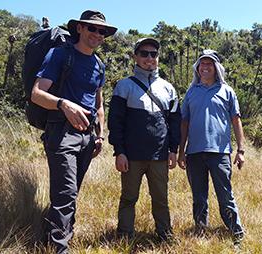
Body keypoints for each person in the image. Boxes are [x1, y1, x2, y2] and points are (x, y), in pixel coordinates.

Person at [31, 10, 117, 253]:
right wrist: (63, 104)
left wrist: (100, 134)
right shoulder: (60, 55)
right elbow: (37, 93)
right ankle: (60, 248)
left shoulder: (99, 64)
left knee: (69, 193)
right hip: (61, 132)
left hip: (87, 136)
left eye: (102, 31)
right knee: (66, 193)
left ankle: (49, 239)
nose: (97, 34)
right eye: (92, 28)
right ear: (79, 28)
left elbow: (99, 103)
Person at [108, 38, 181, 241]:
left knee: (161, 199)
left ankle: (165, 235)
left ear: (158, 58)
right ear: (135, 57)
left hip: (160, 155)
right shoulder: (124, 86)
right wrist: (119, 151)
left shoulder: (168, 88)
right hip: (131, 156)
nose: (149, 58)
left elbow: (175, 122)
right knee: (129, 198)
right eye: (144, 53)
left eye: (153, 54)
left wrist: (173, 150)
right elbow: (116, 122)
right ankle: (124, 236)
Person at [177, 49, 245, 244]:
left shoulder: (227, 91)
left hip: (220, 153)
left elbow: (236, 121)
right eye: (202, 64)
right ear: (197, 68)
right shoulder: (191, 92)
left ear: (216, 68)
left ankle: (236, 233)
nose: (205, 67)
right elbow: (184, 124)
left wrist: (240, 150)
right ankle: (201, 230)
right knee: (199, 197)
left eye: (210, 64)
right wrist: (182, 151)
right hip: (195, 153)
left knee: (225, 195)